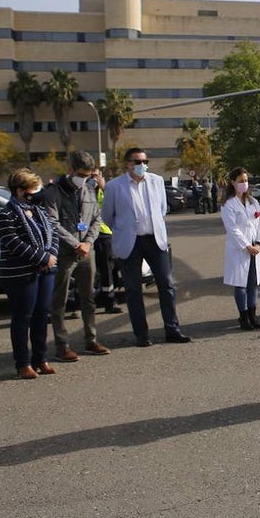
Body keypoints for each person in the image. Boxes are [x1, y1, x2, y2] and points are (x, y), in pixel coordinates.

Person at [101, 148, 192, 347]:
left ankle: (172, 330)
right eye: (137, 161)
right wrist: (124, 230)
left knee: (166, 285)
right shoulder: (114, 186)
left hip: (154, 240)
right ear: (128, 164)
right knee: (133, 290)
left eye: (145, 161)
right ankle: (141, 335)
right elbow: (107, 216)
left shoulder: (156, 181)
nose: (142, 165)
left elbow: (162, 209)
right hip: (130, 243)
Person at [41, 151, 110, 361]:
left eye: (88, 176)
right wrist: (75, 244)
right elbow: (52, 222)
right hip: (64, 253)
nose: (84, 179)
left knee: (88, 298)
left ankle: (91, 339)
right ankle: (62, 345)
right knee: (60, 300)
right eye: (81, 174)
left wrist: (88, 242)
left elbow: (96, 219)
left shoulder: (89, 189)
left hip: (86, 252)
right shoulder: (54, 191)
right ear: (70, 169)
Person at [0, 168, 59, 379]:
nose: (37, 193)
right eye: (33, 189)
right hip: (20, 274)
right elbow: (14, 243)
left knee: (42, 315)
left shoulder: (39, 211)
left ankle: (41, 358)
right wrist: (41, 258)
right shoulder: (6, 215)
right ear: (20, 191)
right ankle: (23, 363)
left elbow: (53, 233)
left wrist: (50, 255)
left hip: (46, 271)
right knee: (23, 317)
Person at [221, 167, 260, 331]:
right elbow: (232, 229)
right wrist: (247, 246)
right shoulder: (228, 204)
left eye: (246, 181)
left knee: (253, 284)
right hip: (239, 249)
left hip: (255, 249)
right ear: (233, 182)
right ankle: (243, 316)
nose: (244, 184)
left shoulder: (253, 202)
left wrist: (258, 244)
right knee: (240, 285)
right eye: (241, 181)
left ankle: (253, 315)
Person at [91, 171, 123, 314]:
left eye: (96, 175)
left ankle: (109, 301)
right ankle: (82, 304)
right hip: (87, 236)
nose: (93, 179)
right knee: (88, 271)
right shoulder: (82, 191)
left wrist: (104, 187)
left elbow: (118, 205)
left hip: (105, 234)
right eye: (91, 176)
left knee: (108, 269)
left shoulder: (107, 190)